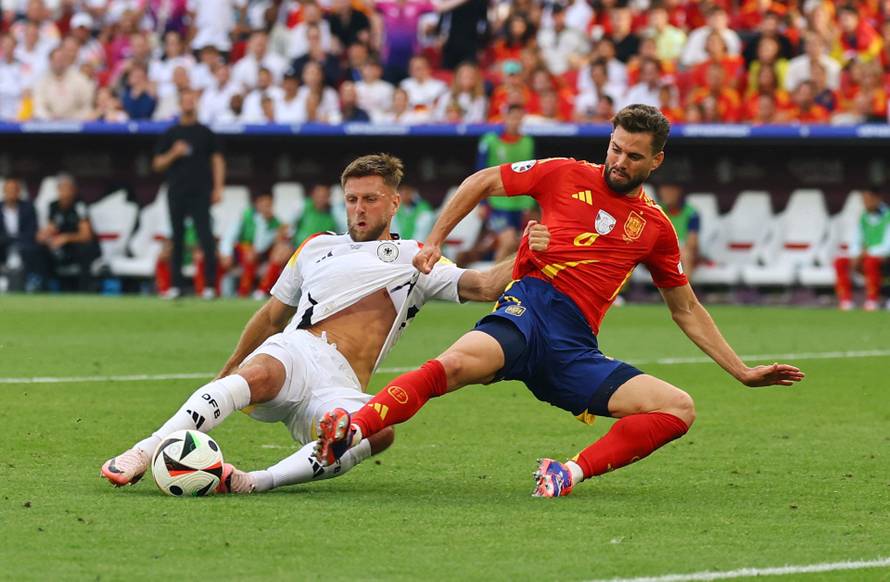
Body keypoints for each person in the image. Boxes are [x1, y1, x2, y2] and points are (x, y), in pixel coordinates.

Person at [314, 105, 805, 498]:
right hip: (528, 308)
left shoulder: (656, 228)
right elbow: (483, 181)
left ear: (656, 161)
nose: (619, 162)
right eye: (615, 149)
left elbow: (686, 309)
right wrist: (436, 241)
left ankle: (567, 473)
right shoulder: (564, 173)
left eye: (633, 156)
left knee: (677, 409)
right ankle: (352, 431)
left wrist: (741, 371)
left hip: (574, 347)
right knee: (457, 363)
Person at [100, 153, 549, 494]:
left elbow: (487, 285)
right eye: (351, 199)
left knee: (382, 430)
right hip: (298, 352)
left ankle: (252, 482)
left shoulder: (417, 256)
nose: (359, 209)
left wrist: (531, 248)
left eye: (370, 200)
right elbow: (274, 315)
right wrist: (230, 366)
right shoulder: (316, 246)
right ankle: (146, 448)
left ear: (394, 203)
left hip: (341, 384)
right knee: (255, 373)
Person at [152, 89, 224, 299]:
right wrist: (174, 153)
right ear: (180, 104)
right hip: (177, 191)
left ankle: (210, 286)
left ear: (196, 103)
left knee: (206, 237)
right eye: (185, 100)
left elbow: (217, 160)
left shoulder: (205, 132)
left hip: (201, 192)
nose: (188, 104)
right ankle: (176, 285)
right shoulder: (171, 133)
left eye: (192, 100)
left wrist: (218, 188)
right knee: (177, 237)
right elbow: (157, 164)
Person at [475, 104, 536, 262]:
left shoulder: (528, 142)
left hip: (519, 202)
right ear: (505, 118)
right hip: (498, 201)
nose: (515, 121)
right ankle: (491, 285)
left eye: (519, 117)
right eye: (512, 117)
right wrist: (481, 203)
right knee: (507, 241)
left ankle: (507, 282)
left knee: (518, 245)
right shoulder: (490, 141)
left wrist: (529, 202)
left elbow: (531, 174)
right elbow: (480, 172)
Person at [35, 174, 100, 292]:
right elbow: (52, 227)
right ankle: (43, 288)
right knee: (40, 249)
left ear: (74, 190)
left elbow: (86, 235)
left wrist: (66, 237)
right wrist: (44, 235)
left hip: (80, 246)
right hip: (64, 247)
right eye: (62, 188)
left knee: (84, 249)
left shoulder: (80, 206)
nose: (66, 192)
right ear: (58, 189)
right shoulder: (53, 205)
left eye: (68, 189)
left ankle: (85, 290)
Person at [834, 189, 890, 311]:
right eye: (863, 200)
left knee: (871, 262)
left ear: (878, 199)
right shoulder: (863, 217)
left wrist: (865, 253)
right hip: (865, 256)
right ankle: (846, 301)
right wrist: (855, 255)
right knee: (840, 262)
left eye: (868, 200)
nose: (865, 203)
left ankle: (872, 301)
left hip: (883, 258)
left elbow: (887, 246)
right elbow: (856, 240)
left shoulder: (888, 216)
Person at [219, 192, 281, 298]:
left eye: (269, 205)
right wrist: (226, 253)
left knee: (278, 251)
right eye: (264, 205)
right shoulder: (245, 215)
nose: (267, 208)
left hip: (260, 254)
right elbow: (230, 235)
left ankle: (260, 291)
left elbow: (260, 246)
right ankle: (242, 291)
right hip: (240, 251)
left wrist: (265, 223)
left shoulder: (274, 222)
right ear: (257, 204)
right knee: (249, 254)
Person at [0, 177, 39, 291]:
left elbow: (32, 229)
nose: (12, 192)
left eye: (14, 189)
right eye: (9, 189)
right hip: (3, 243)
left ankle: (32, 283)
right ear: (4, 191)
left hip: (24, 242)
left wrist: (17, 240)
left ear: (19, 191)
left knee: (36, 250)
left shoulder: (28, 207)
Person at [657, 182, 700, 277]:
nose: (666, 194)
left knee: (686, 255)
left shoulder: (691, 213)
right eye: (663, 190)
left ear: (678, 192)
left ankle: (684, 291)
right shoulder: (657, 210)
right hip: (659, 250)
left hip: (682, 251)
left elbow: (692, 243)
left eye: (670, 191)